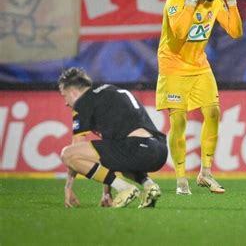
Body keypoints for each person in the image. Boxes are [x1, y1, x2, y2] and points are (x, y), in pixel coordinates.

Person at [156, 0, 243, 195]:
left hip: (200, 67)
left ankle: (205, 172)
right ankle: (181, 179)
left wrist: (232, 0)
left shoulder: (215, 2)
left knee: (213, 112)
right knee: (179, 122)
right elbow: (180, 32)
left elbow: (235, 32)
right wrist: (192, 1)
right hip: (173, 67)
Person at [58, 67, 168, 208]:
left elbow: (74, 150)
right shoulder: (109, 91)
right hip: (158, 150)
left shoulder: (82, 103)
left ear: (73, 91)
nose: (66, 102)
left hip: (137, 148)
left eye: (64, 96)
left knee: (67, 154)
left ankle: (124, 188)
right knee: (119, 154)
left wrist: (68, 187)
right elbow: (110, 153)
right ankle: (149, 186)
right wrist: (106, 193)